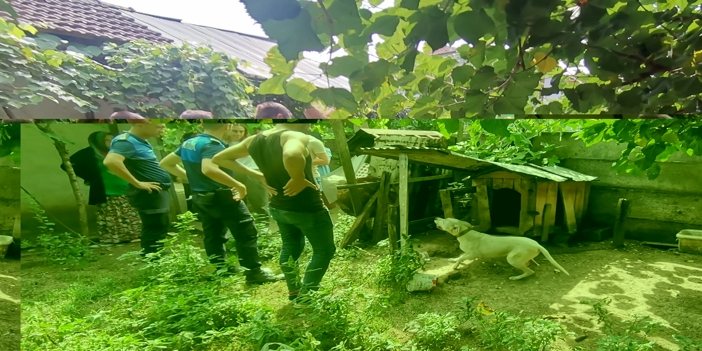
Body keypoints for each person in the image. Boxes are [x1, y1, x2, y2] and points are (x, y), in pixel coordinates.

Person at [213, 102, 336, 302]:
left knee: (291, 246)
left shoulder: (254, 139)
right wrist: (297, 177)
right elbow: (292, 154)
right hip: (306, 208)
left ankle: (294, 290)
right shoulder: (294, 135)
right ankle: (308, 295)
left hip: (278, 205)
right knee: (325, 250)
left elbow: (220, 158)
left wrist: (257, 175)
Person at [159, 119, 283, 284]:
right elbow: (209, 169)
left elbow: (166, 163)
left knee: (213, 235)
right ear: (228, 126)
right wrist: (238, 185)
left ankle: (221, 268)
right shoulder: (213, 145)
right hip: (222, 197)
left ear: (202, 125)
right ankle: (254, 272)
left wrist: (193, 178)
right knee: (246, 232)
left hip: (200, 197)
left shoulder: (190, 142)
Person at [103, 120, 172, 256]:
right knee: (155, 226)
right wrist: (138, 183)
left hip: (156, 191)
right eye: (158, 126)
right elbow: (111, 161)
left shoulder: (139, 141)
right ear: (140, 124)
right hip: (149, 193)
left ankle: (156, 256)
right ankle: (153, 259)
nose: (162, 128)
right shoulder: (125, 142)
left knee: (160, 225)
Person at [62, 132, 141, 244]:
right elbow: (66, 165)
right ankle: (114, 238)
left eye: (112, 139)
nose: (111, 142)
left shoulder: (118, 151)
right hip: (106, 191)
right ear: (98, 142)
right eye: (107, 140)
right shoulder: (89, 153)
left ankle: (133, 235)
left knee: (130, 213)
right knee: (112, 215)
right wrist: (89, 177)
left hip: (126, 188)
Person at [225, 124, 270, 217]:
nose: (238, 134)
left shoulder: (250, 141)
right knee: (237, 201)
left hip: (253, 171)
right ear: (229, 130)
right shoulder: (223, 143)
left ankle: (264, 228)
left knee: (259, 200)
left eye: (241, 131)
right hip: (233, 172)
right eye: (235, 131)